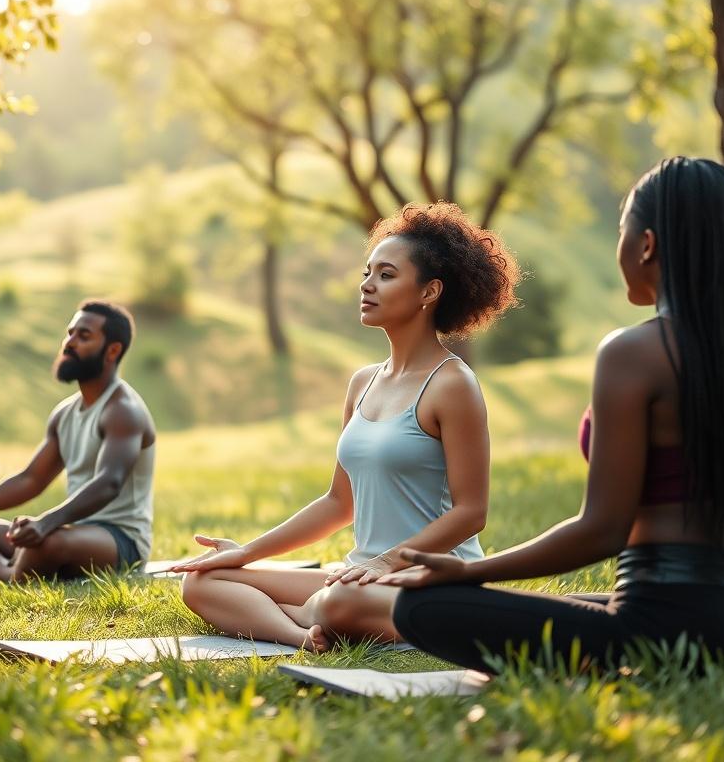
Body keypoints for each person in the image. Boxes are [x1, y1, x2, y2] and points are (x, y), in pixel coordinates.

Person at [381, 157, 724, 672]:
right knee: (555, 608)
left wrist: (470, 572)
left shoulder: (633, 354)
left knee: (422, 606)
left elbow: (602, 530)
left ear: (646, 245)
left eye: (622, 231)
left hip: (662, 635)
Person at [173, 202, 519, 651]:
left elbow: (471, 512)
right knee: (204, 581)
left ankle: (304, 614)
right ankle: (300, 634)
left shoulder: (453, 384)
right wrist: (247, 552)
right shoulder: (363, 383)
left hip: (426, 580)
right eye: (367, 272)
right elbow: (339, 502)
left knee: (339, 601)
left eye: (386, 275)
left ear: (429, 292)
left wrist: (386, 563)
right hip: (358, 578)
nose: (367, 285)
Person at [0, 300, 157, 582]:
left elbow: (109, 483)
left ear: (113, 350)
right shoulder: (65, 413)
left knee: (46, 542)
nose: (69, 343)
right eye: (69, 333)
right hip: (72, 531)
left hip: (120, 541)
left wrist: (46, 523)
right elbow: (30, 480)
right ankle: (9, 570)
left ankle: (3, 572)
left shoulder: (123, 410)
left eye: (83, 336)